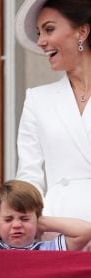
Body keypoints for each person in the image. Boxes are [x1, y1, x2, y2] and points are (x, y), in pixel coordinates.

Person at [14, 0, 91, 248]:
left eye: (49, 29)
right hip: (61, 232)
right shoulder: (38, 100)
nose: (41, 41)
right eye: (39, 33)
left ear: (82, 31)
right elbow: (29, 176)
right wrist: (27, 220)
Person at [0, 180, 91, 250]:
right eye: (8, 219)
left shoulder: (49, 249)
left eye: (25, 219)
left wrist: (42, 223)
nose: (17, 225)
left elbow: (86, 231)